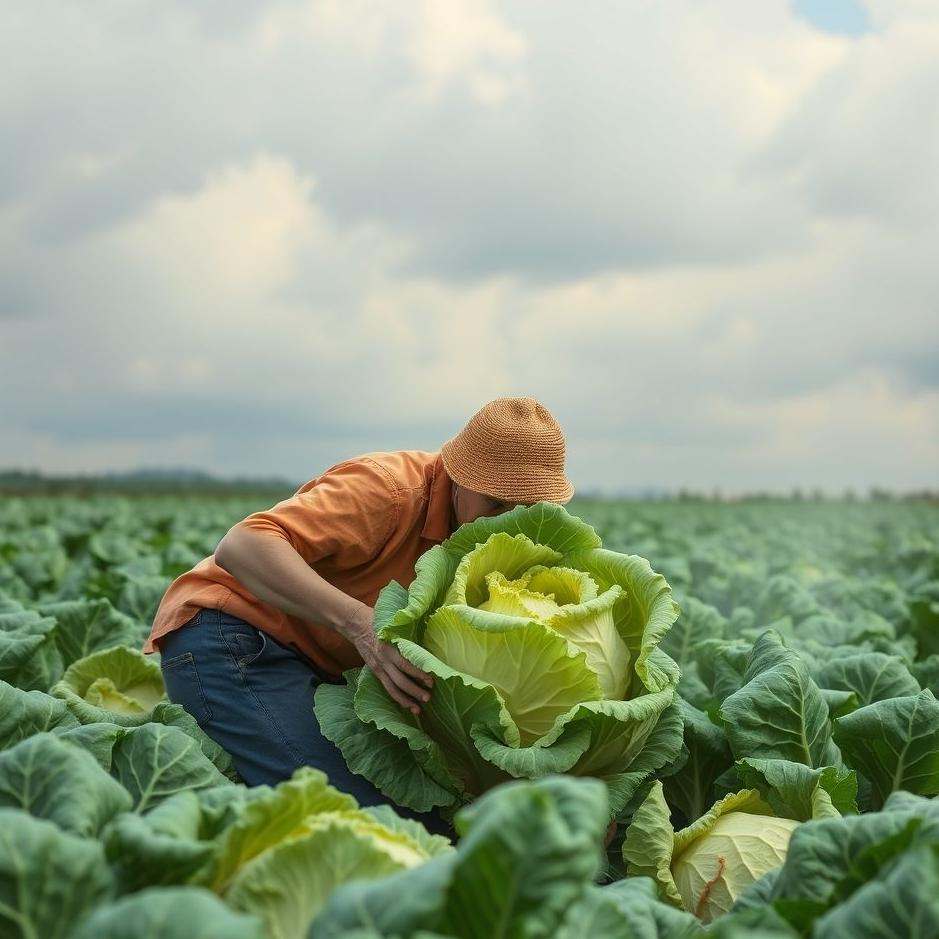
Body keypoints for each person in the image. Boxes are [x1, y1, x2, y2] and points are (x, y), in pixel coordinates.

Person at [143, 397, 574, 826]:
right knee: (355, 816)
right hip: (230, 635)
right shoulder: (386, 489)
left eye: (525, 507)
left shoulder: (508, 545)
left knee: (437, 819)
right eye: (495, 503)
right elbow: (243, 546)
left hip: (325, 668)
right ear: (459, 478)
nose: (507, 519)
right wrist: (362, 627)